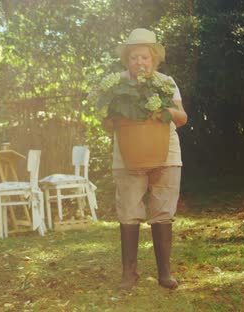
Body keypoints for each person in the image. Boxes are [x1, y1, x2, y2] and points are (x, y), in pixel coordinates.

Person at [103, 28, 188, 290]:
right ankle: (129, 274)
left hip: (166, 153)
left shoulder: (166, 82)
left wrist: (163, 109)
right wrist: (124, 119)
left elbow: (182, 118)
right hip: (128, 155)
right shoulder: (116, 85)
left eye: (145, 57)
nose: (140, 62)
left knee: (163, 209)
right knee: (129, 210)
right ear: (127, 59)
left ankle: (164, 273)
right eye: (134, 57)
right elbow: (107, 124)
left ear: (154, 59)